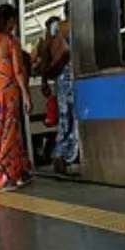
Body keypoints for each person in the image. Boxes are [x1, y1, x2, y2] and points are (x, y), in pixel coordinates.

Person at [0, 4, 34, 193]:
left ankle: (17, 173)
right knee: (8, 134)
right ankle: (1, 179)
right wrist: (26, 94)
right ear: (9, 20)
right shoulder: (10, 41)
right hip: (6, 93)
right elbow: (18, 70)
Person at [47, 11, 79, 174]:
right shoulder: (72, 26)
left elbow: (49, 51)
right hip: (72, 75)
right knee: (73, 117)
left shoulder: (56, 28)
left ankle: (62, 153)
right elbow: (65, 51)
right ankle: (65, 155)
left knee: (65, 117)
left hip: (61, 78)